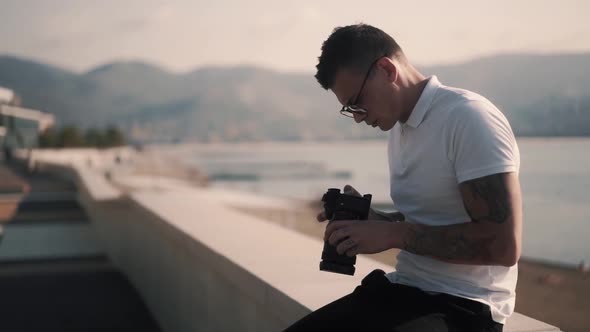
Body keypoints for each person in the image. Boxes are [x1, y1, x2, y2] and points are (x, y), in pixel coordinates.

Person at [283, 24, 522, 332]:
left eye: (357, 101)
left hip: (466, 308)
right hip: (404, 290)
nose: (356, 116)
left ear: (386, 69)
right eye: (348, 109)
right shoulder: (399, 130)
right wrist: (376, 220)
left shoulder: (468, 118)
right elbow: (431, 218)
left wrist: (392, 235)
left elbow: (503, 245)